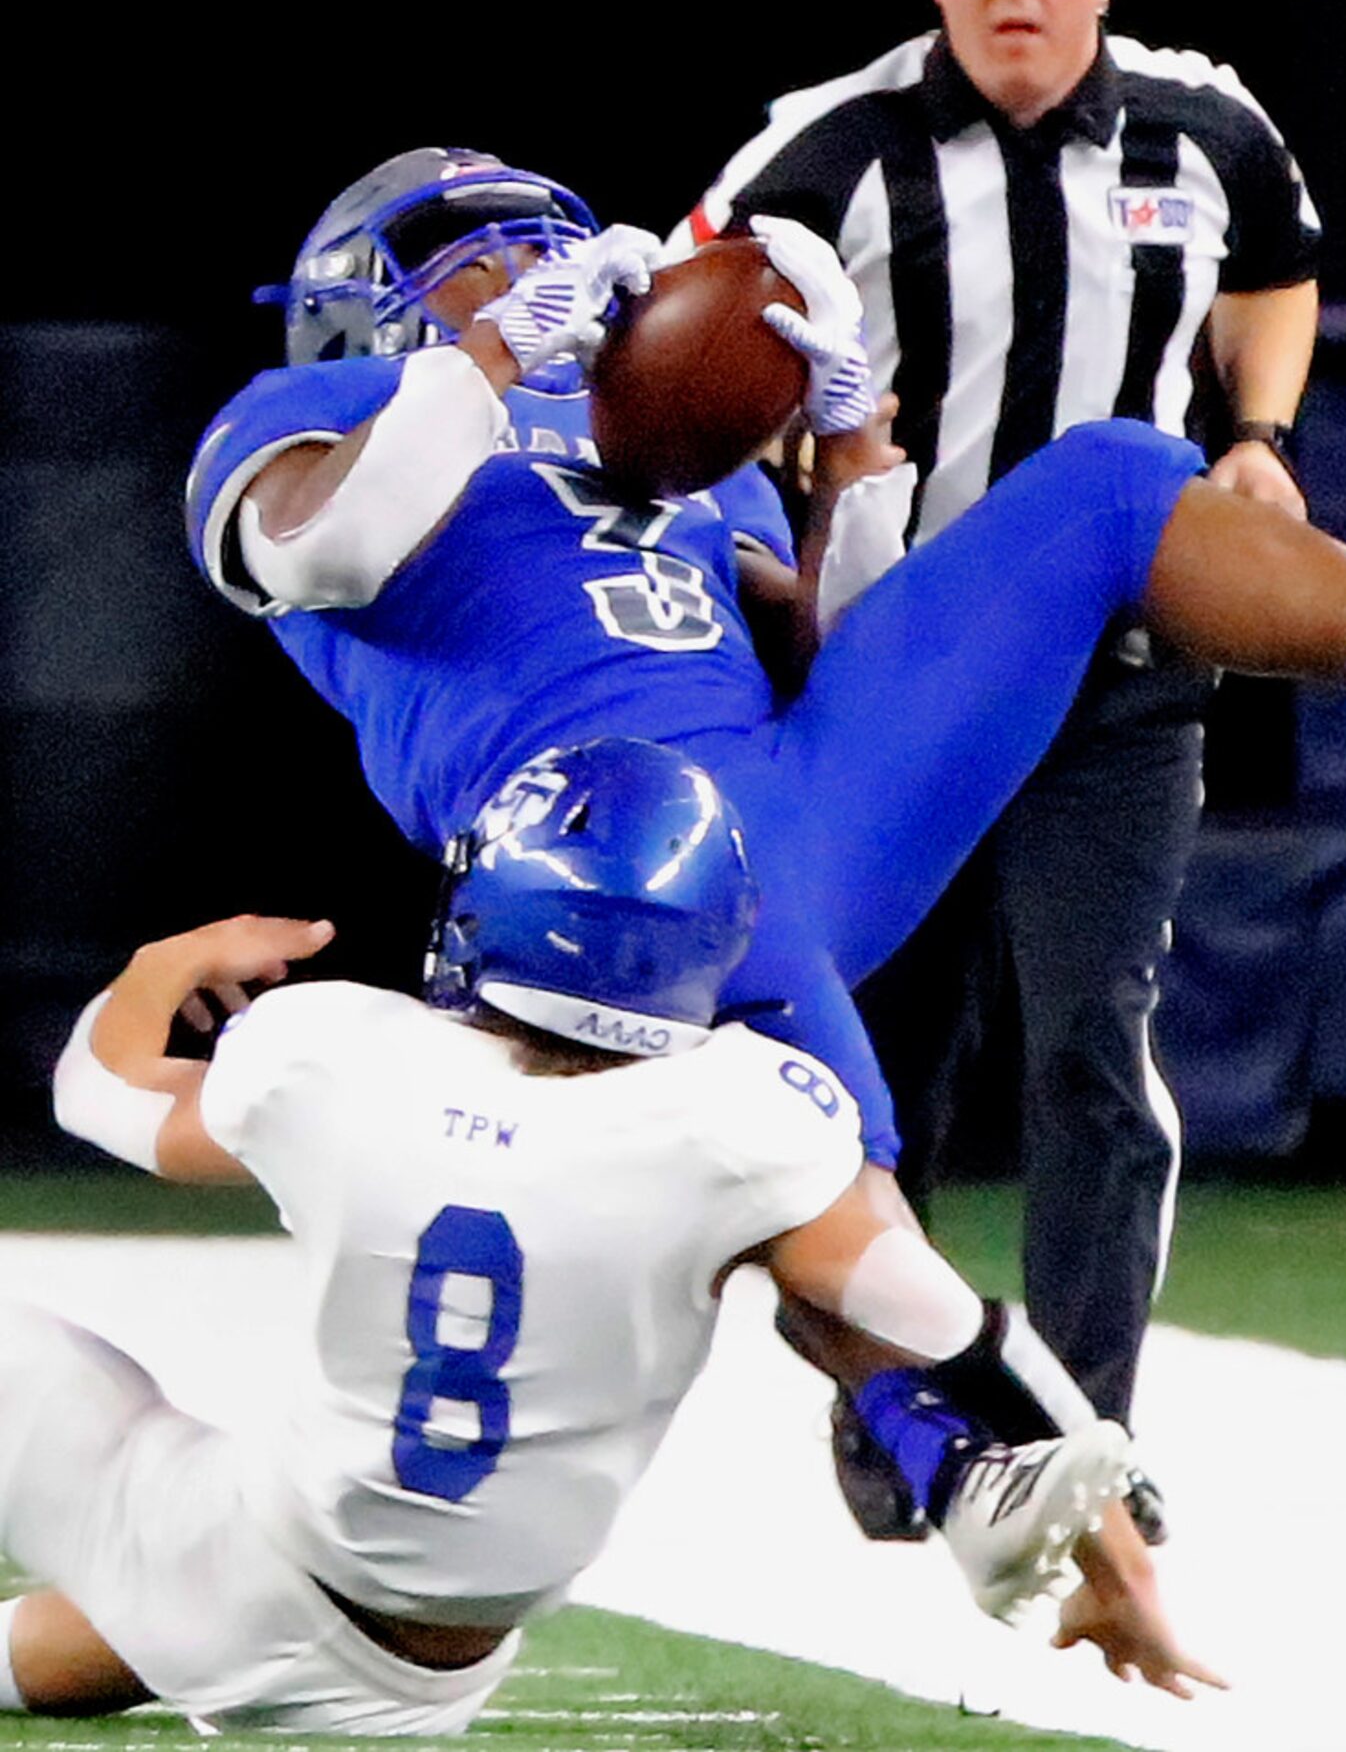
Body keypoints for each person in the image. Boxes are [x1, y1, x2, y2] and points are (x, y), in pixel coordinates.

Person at [184, 142, 1346, 1539]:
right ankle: (954, 1456)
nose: (531, 278)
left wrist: (853, 467)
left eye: (542, 249)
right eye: (475, 258)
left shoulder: (653, 441)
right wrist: (463, 375)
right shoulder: (310, 418)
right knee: (807, 1144)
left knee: (1112, 477)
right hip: (576, 867)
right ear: (365, 306)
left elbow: (842, 649)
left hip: (789, 802)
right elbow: (320, 546)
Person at [1, 739, 1215, 1731]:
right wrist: (1120, 1562)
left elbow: (98, 1093)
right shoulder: (740, 1123)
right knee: (188, 1612)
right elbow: (955, 1338)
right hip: (426, 1662)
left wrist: (169, 963)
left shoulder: (333, 1056)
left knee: (157, 1538)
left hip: (259, 1551)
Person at [668, 0, 1325, 1527]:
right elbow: (680, 348)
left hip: (1114, 676)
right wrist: (767, 531)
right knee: (875, 1061)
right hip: (899, 683)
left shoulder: (1204, 129)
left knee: (1094, 1050)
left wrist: (1257, 433)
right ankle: (902, 1413)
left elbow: (1278, 262)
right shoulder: (823, 149)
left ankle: (1074, 1445)